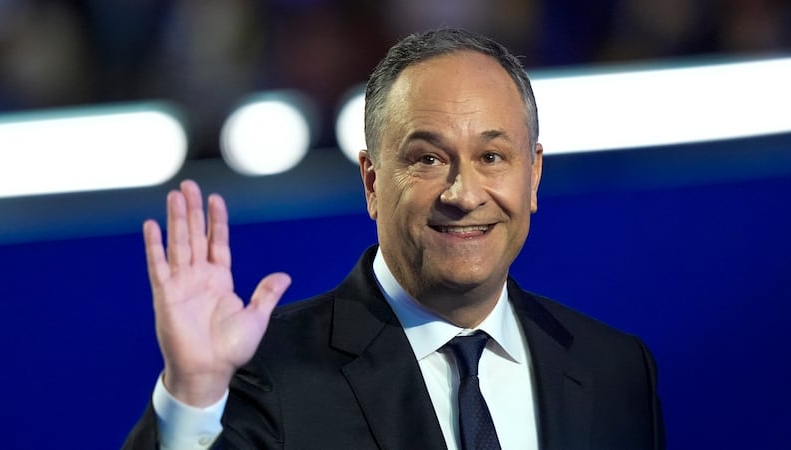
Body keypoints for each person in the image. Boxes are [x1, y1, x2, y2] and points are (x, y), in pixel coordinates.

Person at [124, 28, 664, 449]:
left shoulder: (613, 368)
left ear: (534, 176)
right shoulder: (269, 373)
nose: (464, 193)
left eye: (492, 157)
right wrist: (192, 397)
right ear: (373, 182)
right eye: (428, 159)